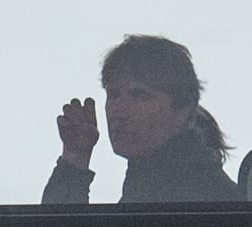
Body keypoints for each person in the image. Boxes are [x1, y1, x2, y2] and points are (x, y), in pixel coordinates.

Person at [43, 35, 239, 205]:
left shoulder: (200, 197)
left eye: (139, 96)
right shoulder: (149, 184)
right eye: (113, 94)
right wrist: (75, 158)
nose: (118, 111)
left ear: (183, 109)